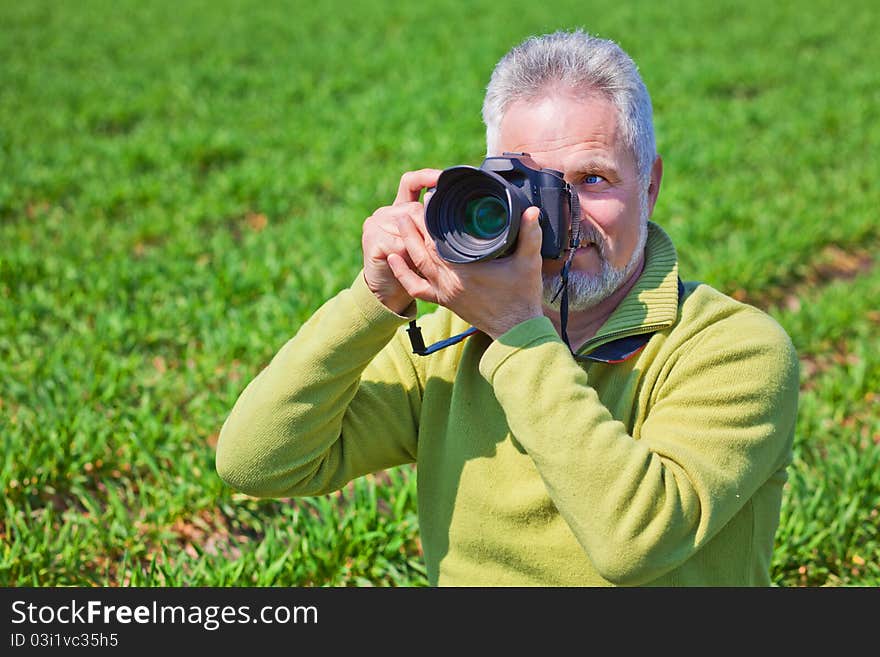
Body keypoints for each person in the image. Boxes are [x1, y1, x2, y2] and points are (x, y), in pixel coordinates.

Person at [215, 29, 799, 586]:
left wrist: (518, 333)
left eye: (593, 179)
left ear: (649, 186)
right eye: (534, 185)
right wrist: (373, 300)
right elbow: (258, 463)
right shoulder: (450, 337)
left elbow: (634, 542)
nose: (562, 216)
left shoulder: (733, 348)